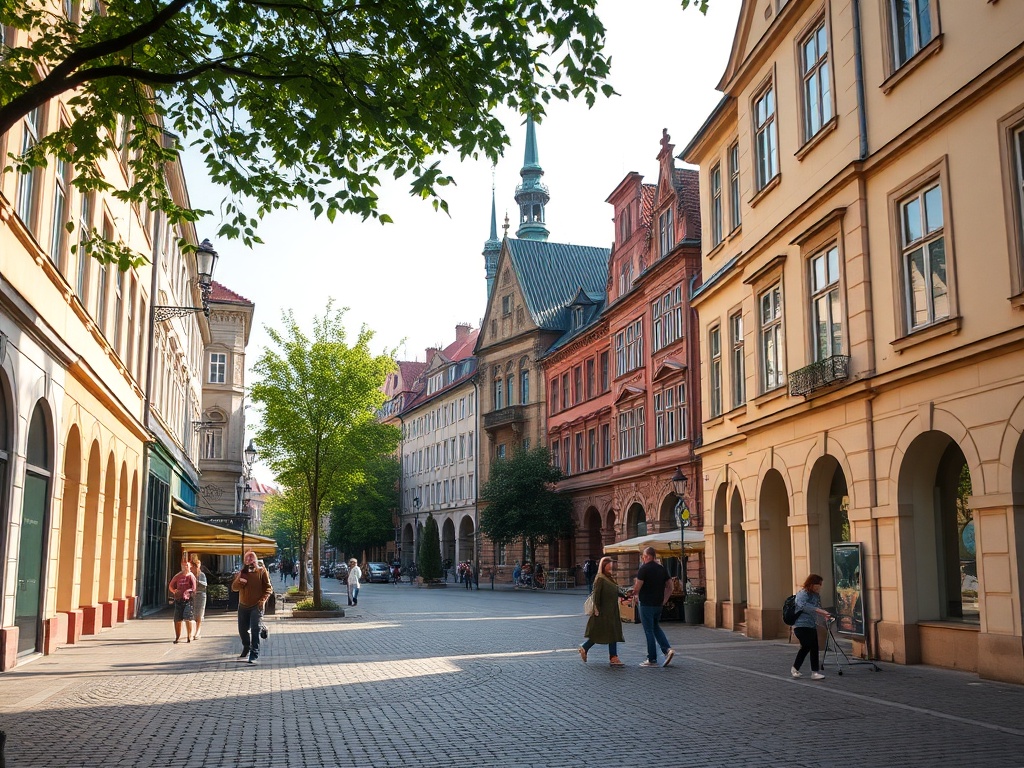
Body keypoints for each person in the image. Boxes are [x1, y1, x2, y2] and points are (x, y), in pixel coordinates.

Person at [579, 557, 626, 667]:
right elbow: (596, 595)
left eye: (611, 567)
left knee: (607, 633)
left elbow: (616, 590)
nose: (611, 569)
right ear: (603, 566)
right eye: (609, 567)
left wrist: (626, 594)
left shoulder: (609, 578)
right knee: (607, 633)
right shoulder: (600, 578)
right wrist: (596, 610)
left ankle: (585, 648)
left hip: (612, 611)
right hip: (604, 612)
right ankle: (613, 657)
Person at [632, 546, 675, 667]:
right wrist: (664, 600)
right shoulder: (662, 569)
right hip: (658, 604)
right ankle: (667, 650)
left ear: (647, 556)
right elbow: (670, 587)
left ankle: (652, 659)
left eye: (643, 557)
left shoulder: (643, 569)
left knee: (649, 631)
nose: (643, 559)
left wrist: (633, 593)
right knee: (656, 627)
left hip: (646, 604)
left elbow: (637, 588)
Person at [232, 550, 273, 664]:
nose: (249, 560)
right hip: (243, 606)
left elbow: (268, 588)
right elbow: (234, 588)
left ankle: (254, 654)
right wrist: (240, 581)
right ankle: (247, 647)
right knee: (242, 630)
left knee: (255, 629)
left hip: (257, 605)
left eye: (251, 558)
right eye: (247, 558)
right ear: (244, 561)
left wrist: (263, 600)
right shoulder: (242, 572)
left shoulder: (261, 571)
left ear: (255, 559)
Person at [791, 573, 832, 680]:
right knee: (806, 646)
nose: (820, 587)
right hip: (801, 625)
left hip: (811, 625)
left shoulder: (816, 595)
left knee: (813, 647)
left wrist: (825, 616)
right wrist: (820, 611)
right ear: (812, 584)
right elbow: (803, 606)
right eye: (818, 584)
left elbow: (818, 608)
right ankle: (795, 668)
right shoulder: (803, 594)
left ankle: (814, 672)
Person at [168, 559, 197, 643]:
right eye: (183, 565)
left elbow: (194, 588)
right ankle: (177, 637)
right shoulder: (178, 576)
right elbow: (170, 585)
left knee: (187, 617)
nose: (185, 567)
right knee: (177, 618)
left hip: (188, 600)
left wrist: (188, 591)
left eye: (187, 565)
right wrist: (174, 591)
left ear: (190, 566)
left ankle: (189, 636)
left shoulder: (191, 576)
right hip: (178, 599)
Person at [189, 553, 208, 640]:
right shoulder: (189, 575)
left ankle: (198, 632)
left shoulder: (201, 575)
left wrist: (195, 580)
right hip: (192, 596)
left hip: (201, 595)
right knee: (192, 614)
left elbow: (204, 585)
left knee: (199, 614)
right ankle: (192, 631)